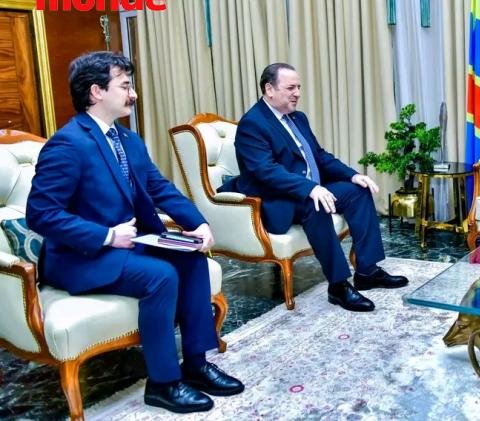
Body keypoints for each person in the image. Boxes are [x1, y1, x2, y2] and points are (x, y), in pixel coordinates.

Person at [26, 51, 243, 414]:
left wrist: (197, 223)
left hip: (127, 245)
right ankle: (163, 383)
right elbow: (41, 214)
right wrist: (107, 236)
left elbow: (159, 188)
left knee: (191, 259)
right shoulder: (68, 144)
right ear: (96, 91)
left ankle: (196, 364)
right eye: (125, 86)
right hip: (81, 257)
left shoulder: (127, 140)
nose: (134, 94)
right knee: (159, 275)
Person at [231, 63, 408, 312]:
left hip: (308, 189)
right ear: (269, 89)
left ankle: (367, 272)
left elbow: (320, 156)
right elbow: (266, 171)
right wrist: (309, 188)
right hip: (277, 199)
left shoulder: (297, 118)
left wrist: (353, 175)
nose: (297, 93)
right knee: (314, 203)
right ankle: (338, 286)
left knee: (358, 191)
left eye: (298, 87)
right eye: (290, 88)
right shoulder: (252, 124)